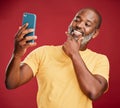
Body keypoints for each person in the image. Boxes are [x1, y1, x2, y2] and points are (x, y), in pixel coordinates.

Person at [5, 7, 110, 108]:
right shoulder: (43, 52)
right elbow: (11, 83)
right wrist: (17, 54)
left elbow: (94, 92)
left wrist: (74, 54)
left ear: (95, 33)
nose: (79, 25)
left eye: (87, 24)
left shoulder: (100, 60)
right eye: (76, 20)